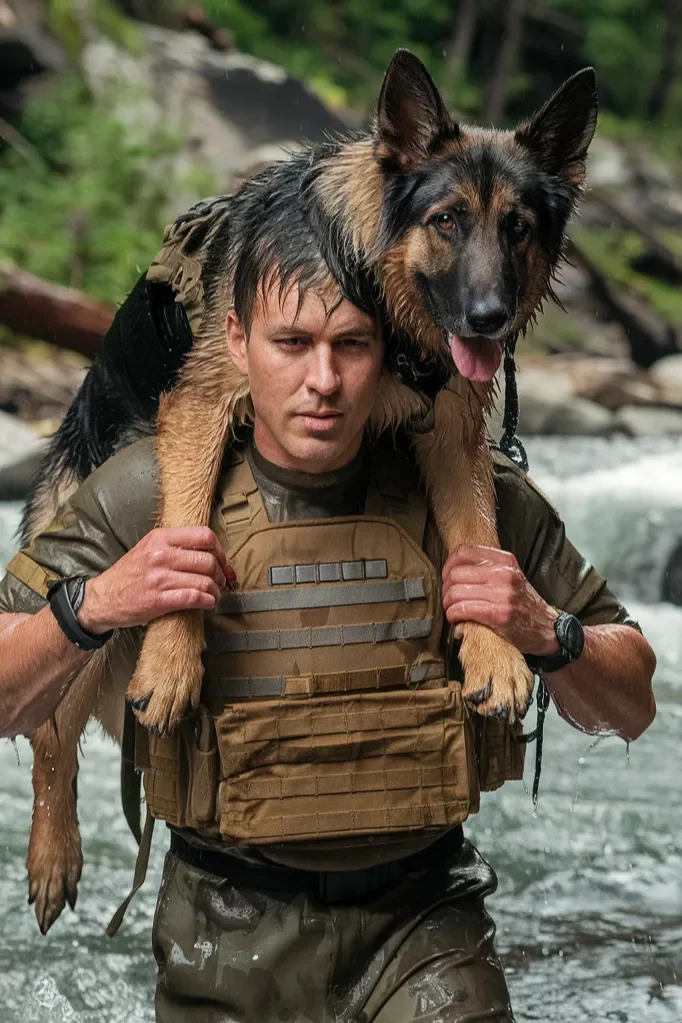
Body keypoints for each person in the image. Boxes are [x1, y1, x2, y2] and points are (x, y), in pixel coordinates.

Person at [0, 239, 656, 1021]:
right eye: (292, 343)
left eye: (351, 345)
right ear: (238, 342)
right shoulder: (147, 491)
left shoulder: (473, 498)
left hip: (425, 930)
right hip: (220, 938)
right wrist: (96, 605)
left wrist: (549, 631)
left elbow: (635, 702)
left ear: (390, 351)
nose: (323, 381)